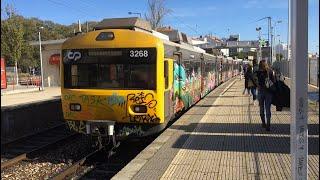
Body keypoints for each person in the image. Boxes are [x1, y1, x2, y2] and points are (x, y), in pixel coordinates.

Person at [257, 60, 275, 131]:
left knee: (261, 108)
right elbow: (273, 81)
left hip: (261, 92)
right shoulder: (270, 71)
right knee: (268, 109)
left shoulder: (258, 72)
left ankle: (263, 123)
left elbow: (256, 83)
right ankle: (268, 124)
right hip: (269, 92)